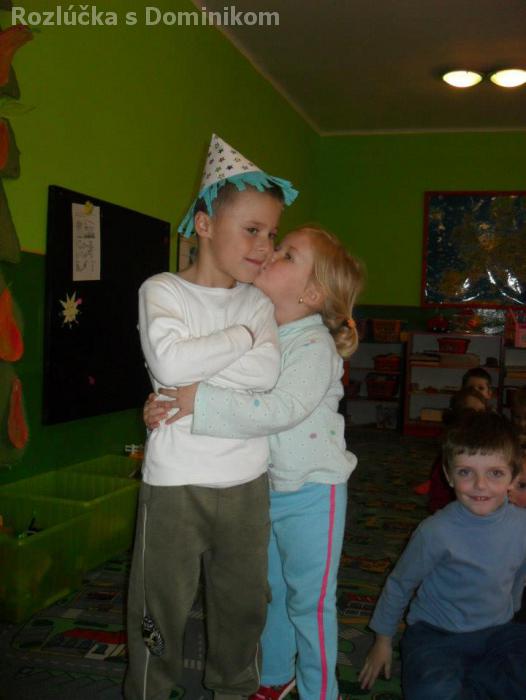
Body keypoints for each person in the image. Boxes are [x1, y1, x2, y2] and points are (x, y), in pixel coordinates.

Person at [145, 225, 364, 700]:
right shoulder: (264, 328)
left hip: (314, 492)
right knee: (272, 593)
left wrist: (200, 401)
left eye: (287, 255)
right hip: (266, 488)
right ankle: (274, 677)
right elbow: (219, 377)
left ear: (311, 294)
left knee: (311, 603)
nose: (270, 254)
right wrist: (168, 401)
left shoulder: (313, 345)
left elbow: (280, 408)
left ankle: (321, 692)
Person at [124, 133, 298, 700]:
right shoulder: (163, 290)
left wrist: (200, 379)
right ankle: (149, 690)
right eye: (252, 230)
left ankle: (234, 688)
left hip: (246, 482)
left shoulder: (258, 302)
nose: (265, 246)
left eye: (271, 234)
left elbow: (266, 375)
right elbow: (169, 362)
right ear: (203, 224)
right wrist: (242, 338)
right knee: (159, 603)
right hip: (175, 482)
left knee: (243, 604)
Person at [359, 411, 526, 699]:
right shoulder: (435, 531)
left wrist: (510, 612)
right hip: (436, 634)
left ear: (514, 477)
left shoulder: (521, 524)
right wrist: (383, 642)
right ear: (448, 475)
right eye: (465, 472)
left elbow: (520, 573)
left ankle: (477, 682)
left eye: (495, 473)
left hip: (498, 631)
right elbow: (400, 584)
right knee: (432, 691)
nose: (480, 485)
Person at [427, 385, 491, 513]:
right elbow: (439, 500)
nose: (477, 418)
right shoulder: (450, 451)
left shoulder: (486, 443)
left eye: (481, 413)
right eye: (471, 412)